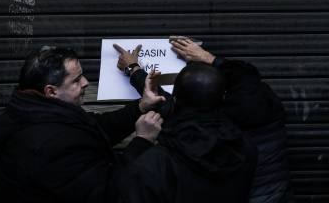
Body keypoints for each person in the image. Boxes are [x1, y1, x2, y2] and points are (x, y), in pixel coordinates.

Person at [115, 40, 296, 203]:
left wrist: (133, 69)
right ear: (221, 100)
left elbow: (171, 103)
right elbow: (244, 78)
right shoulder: (253, 138)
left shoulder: (164, 157)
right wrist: (208, 58)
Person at [0, 46, 164, 203]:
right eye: (76, 80)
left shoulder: (38, 113)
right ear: (51, 91)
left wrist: (141, 107)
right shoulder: (53, 145)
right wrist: (143, 140)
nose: (86, 82)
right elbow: (108, 193)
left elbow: (97, 128)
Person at [118, 61, 258, 203]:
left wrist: (142, 141)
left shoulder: (153, 163)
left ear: (174, 103)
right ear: (223, 100)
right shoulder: (246, 148)